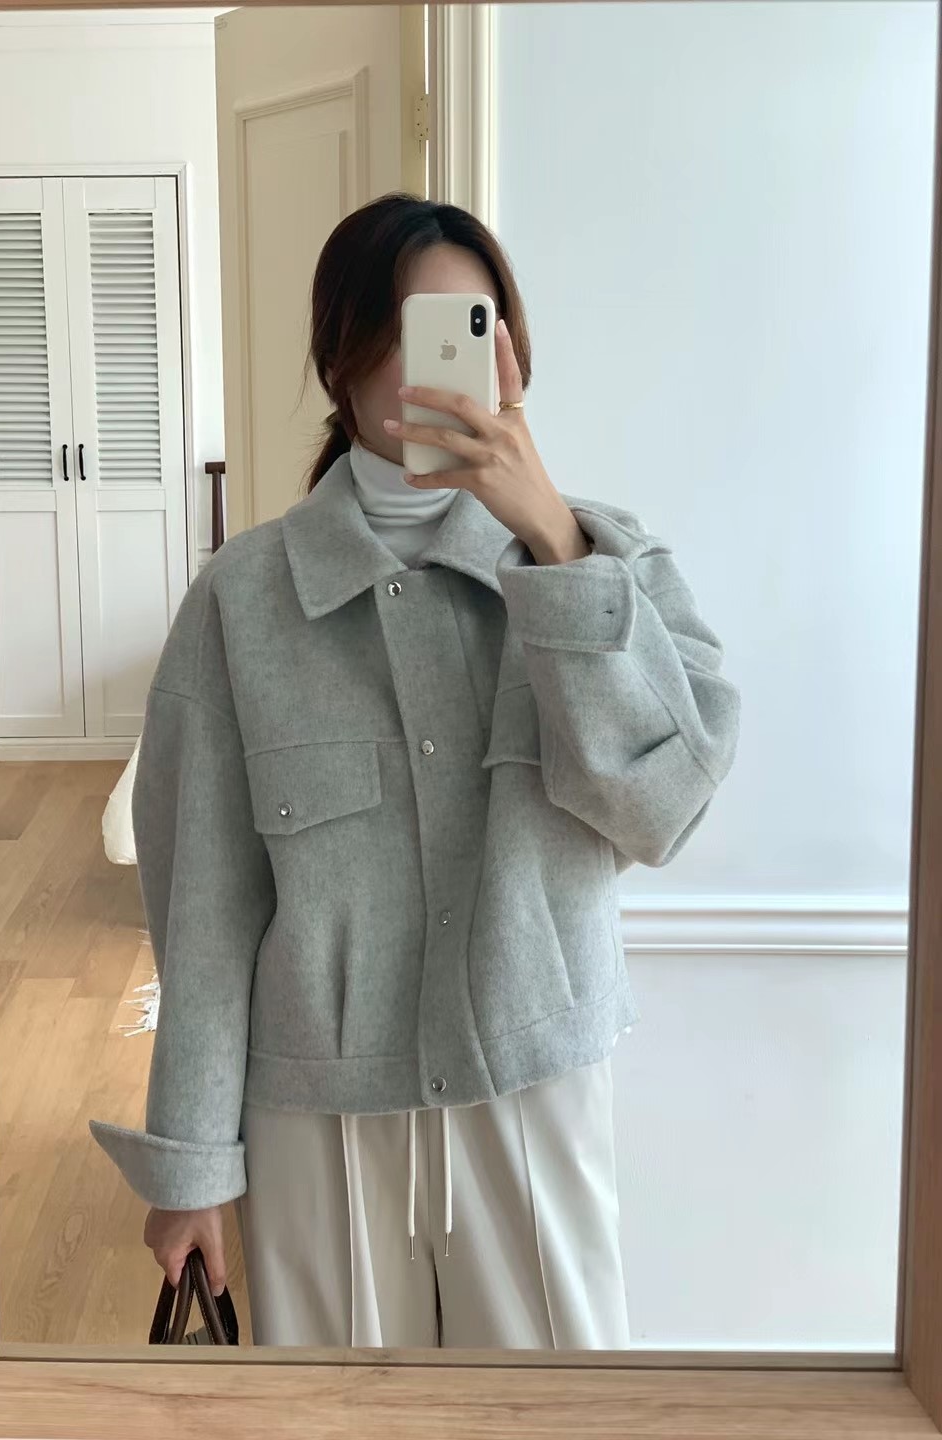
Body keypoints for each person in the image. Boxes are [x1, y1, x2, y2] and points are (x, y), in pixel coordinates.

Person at [89, 193, 741, 1350]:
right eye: (403, 330)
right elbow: (205, 911)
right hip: (319, 1119)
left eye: (471, 328)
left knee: (556, 1420)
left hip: (530, 1093)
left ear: (513, 352)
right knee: (338, 1421)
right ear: (341, 360)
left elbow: (662, 809)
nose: (442, 363)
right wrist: (190, 1168)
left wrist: (554, 549)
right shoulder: (242, 604)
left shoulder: (606, 564)